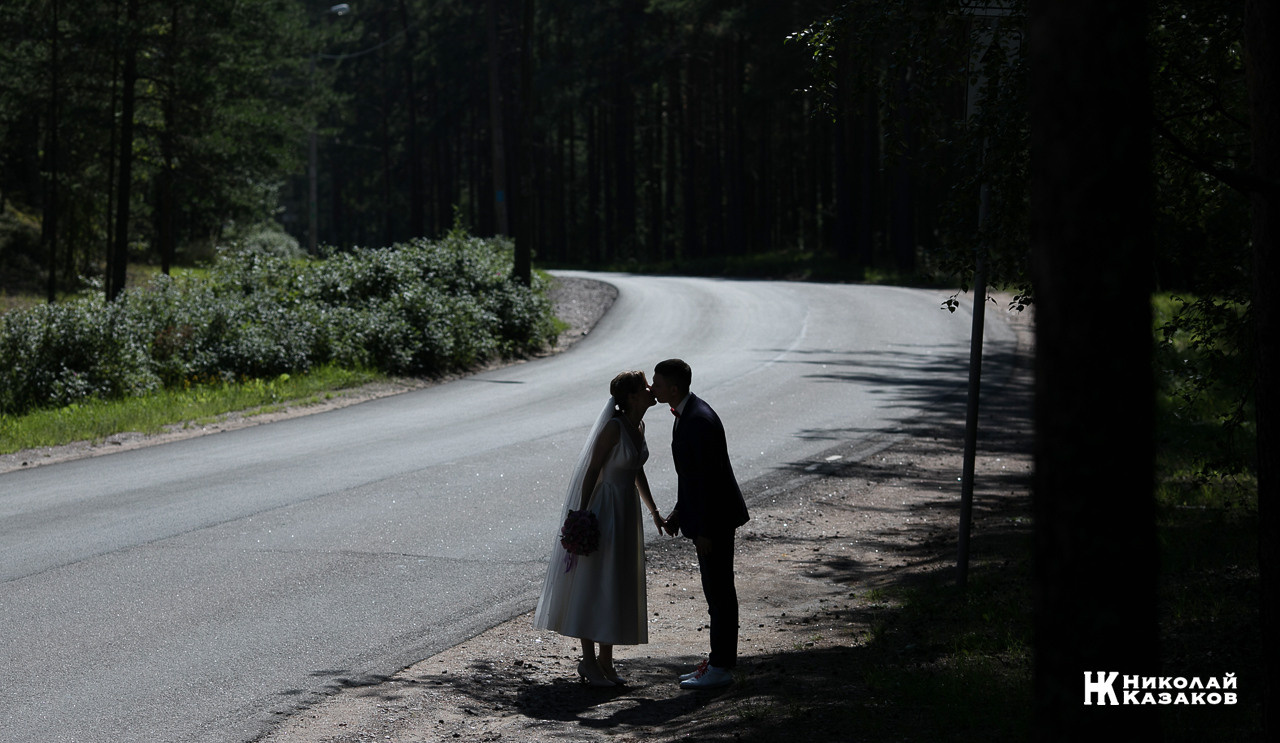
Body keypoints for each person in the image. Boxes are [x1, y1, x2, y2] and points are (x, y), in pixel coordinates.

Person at [533, 371, 665, 687]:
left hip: (627, 510)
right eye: (645, 386)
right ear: (631, 396)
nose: (651, 389)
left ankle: (607, 661)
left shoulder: (639, 426)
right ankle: (589, 661)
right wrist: (581, 514)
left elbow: (636, 471)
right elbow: (592, 469)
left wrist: (655, 512)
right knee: (595, 580)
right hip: (605, 508)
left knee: (616, 580)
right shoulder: (613, 427)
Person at [651, 358, 750, 690]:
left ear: (674, 388)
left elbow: (709, 480)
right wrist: (679, 516)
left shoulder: (698, 420)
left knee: (720, 592)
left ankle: (721, 666)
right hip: (709, 516)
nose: (653, 388)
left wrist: (704, 529)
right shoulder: (688, 414)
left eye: (658, 384)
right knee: (716, 591)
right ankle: (719, 659)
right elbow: (692, 479)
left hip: (716, 520)